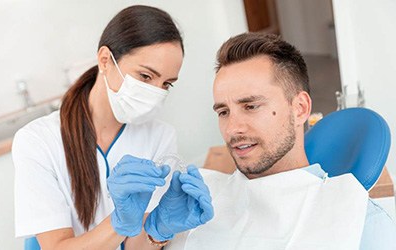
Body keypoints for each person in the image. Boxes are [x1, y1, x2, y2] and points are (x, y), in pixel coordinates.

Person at [166, 33, 396, 249]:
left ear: (300, 108)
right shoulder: (200, 204)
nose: (233, 129)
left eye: (251, 106)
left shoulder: (361, 225)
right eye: (223, 112)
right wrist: (155, 236)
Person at [13, 5, 213, 250]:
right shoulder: (38, 140)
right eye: (145, 77)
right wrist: (118, 223)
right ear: (105, 60)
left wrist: (160, 230)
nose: (155, 93)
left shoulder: (160, 137)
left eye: (167, 84)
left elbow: (135, 247)